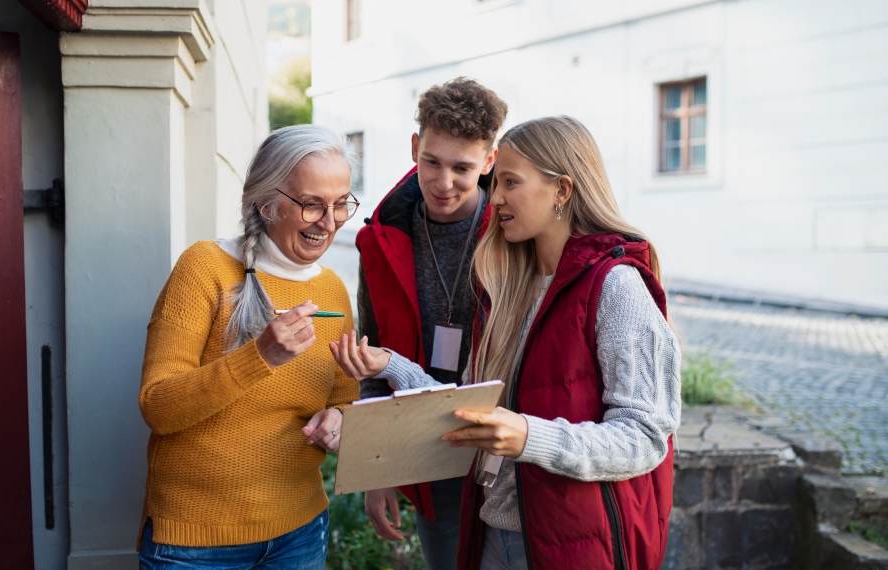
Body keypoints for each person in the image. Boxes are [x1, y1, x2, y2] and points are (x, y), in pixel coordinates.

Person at [333, 116, 680, 570]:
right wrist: (389, 365)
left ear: (563, 190)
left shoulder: (616, 287)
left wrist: (528, 436)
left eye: (509, 183)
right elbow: (468, 403)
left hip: (571, 541)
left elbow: (646, 436)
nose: (493, 197)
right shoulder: (509, 284)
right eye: (496, 183)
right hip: (495, 531)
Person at [136, 124, 361, 569]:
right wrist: (260, 357)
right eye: (312, 205)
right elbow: (157, 407)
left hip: (299, 532)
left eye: (341, 205)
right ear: (265, 202)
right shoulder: (206, 268)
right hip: (196, 541)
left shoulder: (333, 291)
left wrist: (338, 421)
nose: (330, 222)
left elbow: (343, 402)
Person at [355, 77, 507, 569]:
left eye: (463, 168)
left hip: (511, 449)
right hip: (429, 450)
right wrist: (379, 466)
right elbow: (372, 356)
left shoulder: (515, 234)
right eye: (432, 163)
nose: (444, 183)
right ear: (416, 147)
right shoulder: (380, 240)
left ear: (489, 161)